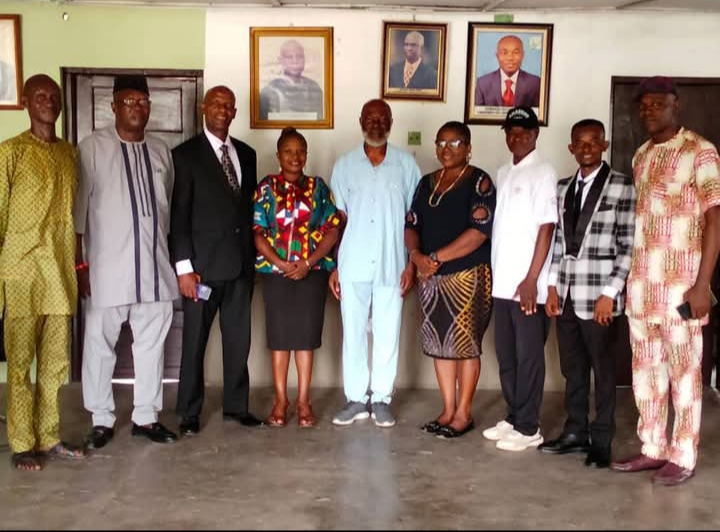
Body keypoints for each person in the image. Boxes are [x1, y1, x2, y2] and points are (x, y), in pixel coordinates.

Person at [610, 76, 720, 486]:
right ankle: (652, 447)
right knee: (646, 372)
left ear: (677, 105)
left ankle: (683, 455)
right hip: (642, 288)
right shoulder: (641, 154)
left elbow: (715, 220)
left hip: (681, 287)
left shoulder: (700, 151)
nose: (649, 111)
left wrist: (702, 284)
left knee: (684, 373)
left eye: (658, 104)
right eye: (644, 106)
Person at [75, 74, 179, 449]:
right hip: (107, 269)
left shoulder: (161, 151)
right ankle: (101, 419)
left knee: (151, 346)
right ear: (114, 106)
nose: (137, 108)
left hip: (154, 268)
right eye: (129, 101)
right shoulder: (91, 149)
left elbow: (167, 208)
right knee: (99, 345)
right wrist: (80, 266)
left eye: (142, 101)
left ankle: (146, 417)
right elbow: (77, 214)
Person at [0, 74, 86, 470]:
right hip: (21, 273)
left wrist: (79, 266)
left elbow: (74, 217)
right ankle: (22, 444)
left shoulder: (69, 154)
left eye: (54, 96)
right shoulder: (10, 152)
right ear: (25, 102)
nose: (49, 101)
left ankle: (49, 437)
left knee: (54, 363)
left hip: (59, 273)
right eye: (40, 95)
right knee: (20, 364)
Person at [540, 119, 637, 468]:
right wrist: (552, 287)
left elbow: (628, 246)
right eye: (579, 143)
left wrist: (610, 293)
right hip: (567, 295)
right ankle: (575, 432)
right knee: (573, 369)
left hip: (601, 298)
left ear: (604, 145)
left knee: (604, 370)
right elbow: (557, 243)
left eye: (593, 142)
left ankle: (602, 439)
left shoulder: (622, 186)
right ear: (571, 148)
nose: (586, 148)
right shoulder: (563, 187)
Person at [171, 85, 263, 436]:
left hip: (240, 267)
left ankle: (237, 406)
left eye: (228, 105)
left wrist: (254, 260)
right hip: (201, 271)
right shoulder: (185, 156)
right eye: (216, 104)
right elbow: (178, 217)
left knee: (239, 341)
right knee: (195, 342)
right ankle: (189, 411)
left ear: (235, 112)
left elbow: (247, 211)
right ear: (203, 108)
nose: (223, 110)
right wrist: (184, 269)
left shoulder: (247, 155)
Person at [329, 99, 421, 428]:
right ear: (361, 121)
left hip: (391, 262)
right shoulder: (344, 165)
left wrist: (411, 265)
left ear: (391, 123)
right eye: (370, 118)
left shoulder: (406, 166)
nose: (376, 123)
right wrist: (335, 265)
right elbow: (338, 220)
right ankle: (356, 399)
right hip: (352, 262)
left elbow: (414, 220)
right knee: (353, 333)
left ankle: (381, 399)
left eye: (382, 118)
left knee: (387, 333)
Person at [405, 121, 495, 439]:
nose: (447, 149)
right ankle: (447, 409)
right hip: (430, 277)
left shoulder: (479, 181)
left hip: (468, 276)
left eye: (455, 143)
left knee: (465, 345)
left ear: (468, 148)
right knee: (439, 344)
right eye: (441, 142)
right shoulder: (426, 183)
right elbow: (411, 224)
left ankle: (463, 413)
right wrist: (416, 256)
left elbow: (479, 233)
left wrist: (435, 258)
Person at [253, 127, 341, 427]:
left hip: (311, 274)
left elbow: (332, 228)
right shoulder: (266, 188)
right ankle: (281, 400)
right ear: (278, 155)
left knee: (305, 340)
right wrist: (280, 263)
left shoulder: (318, 188)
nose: (295, 156)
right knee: (279, 340)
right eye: (288, 151)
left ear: (306, 155)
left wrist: (308, 262)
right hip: (275, 275)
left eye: (300, 151)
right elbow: (257, 232)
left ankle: (304, 401)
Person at [482, 106, 558, 452]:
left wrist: (531, 279)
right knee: (507, 355)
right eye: (511, 132)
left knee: (529, 358)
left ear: (535, 135)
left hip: (528, 287)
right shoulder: (504, 172)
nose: (517, 138)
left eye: (524, 132)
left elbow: (547, 227)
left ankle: (529, 427)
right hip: (502, 283)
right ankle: (514, 416)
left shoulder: (543, 171)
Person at [259, 40, 324, 120]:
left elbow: (321, 120)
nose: (295, 61)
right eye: (289, 57)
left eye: (299, 56)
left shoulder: (314, 88)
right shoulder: (269, 91)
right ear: (280, 60)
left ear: (304, 59)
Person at [474, 35, 541, 108]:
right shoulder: (483, 83)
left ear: (522, 55)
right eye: (504, 53)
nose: (510, 58)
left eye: (516, 52)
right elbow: (476, 112)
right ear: (497, 56)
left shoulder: (535, 83)